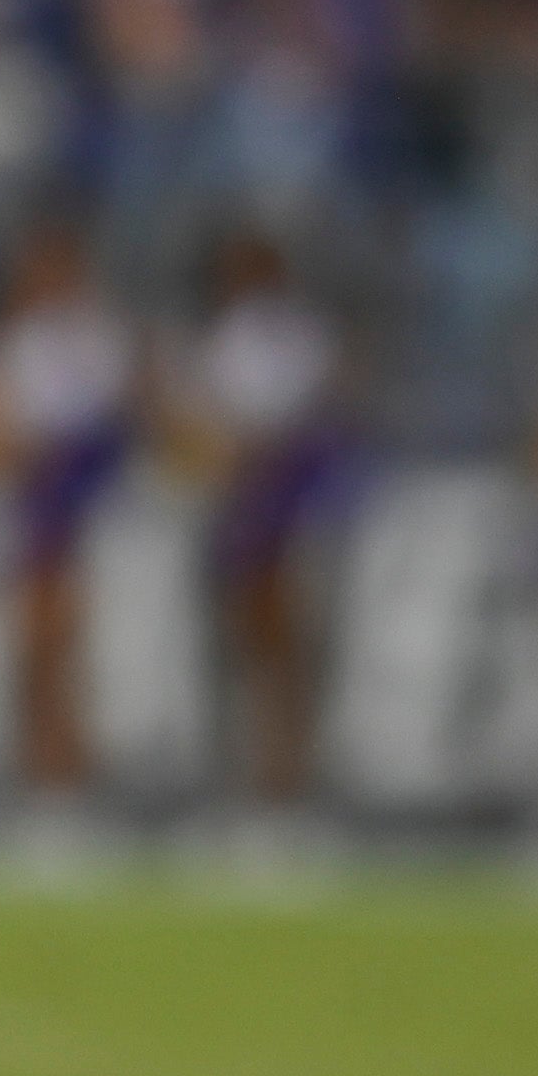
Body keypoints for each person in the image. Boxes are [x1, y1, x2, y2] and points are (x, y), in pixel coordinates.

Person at [0, 219, 136, 861]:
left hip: (73, 520)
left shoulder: (94, 341)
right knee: (27, 658)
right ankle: (33, 788)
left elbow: (97, 430)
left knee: (65, 655)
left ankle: (68, 793)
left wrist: (30, 451)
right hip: (23, 517)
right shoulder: (12, 341)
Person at [174, 227, 349, 842]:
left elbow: (290, 425)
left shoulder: (298, 338)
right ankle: (249, 787)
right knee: (241, 654)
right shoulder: (224, 339)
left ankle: (290, 789)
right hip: (241, 515)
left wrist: (235, 453)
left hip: (288, 513)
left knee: (288, 654)